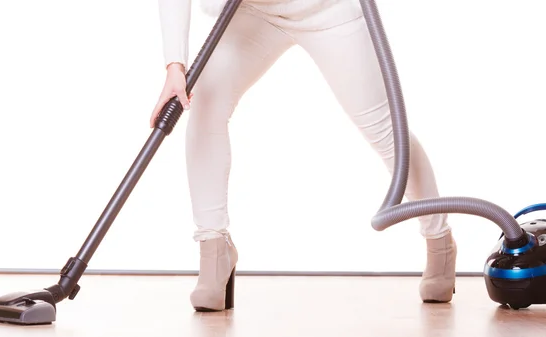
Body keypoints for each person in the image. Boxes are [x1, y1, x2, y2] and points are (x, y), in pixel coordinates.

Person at [153, 0, 457, 312]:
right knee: (205, 104)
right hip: (252, 12)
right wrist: (174, 65)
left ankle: (439, 242)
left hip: (325, 9)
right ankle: (213, 249)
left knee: (384, 129)